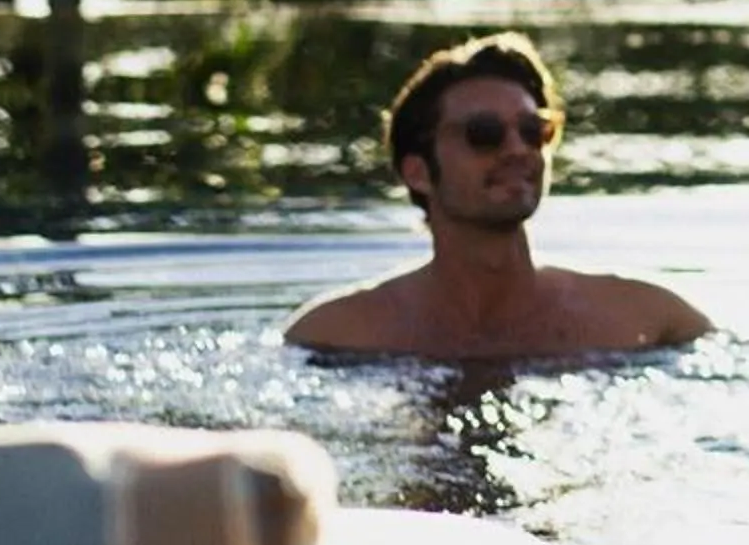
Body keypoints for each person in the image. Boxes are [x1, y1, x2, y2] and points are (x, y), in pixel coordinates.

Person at [283, 31, 711, 359]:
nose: (517, 150)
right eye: (484, 134)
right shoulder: (333, 335)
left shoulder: (653, 321)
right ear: (418, 172)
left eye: (533, 131)